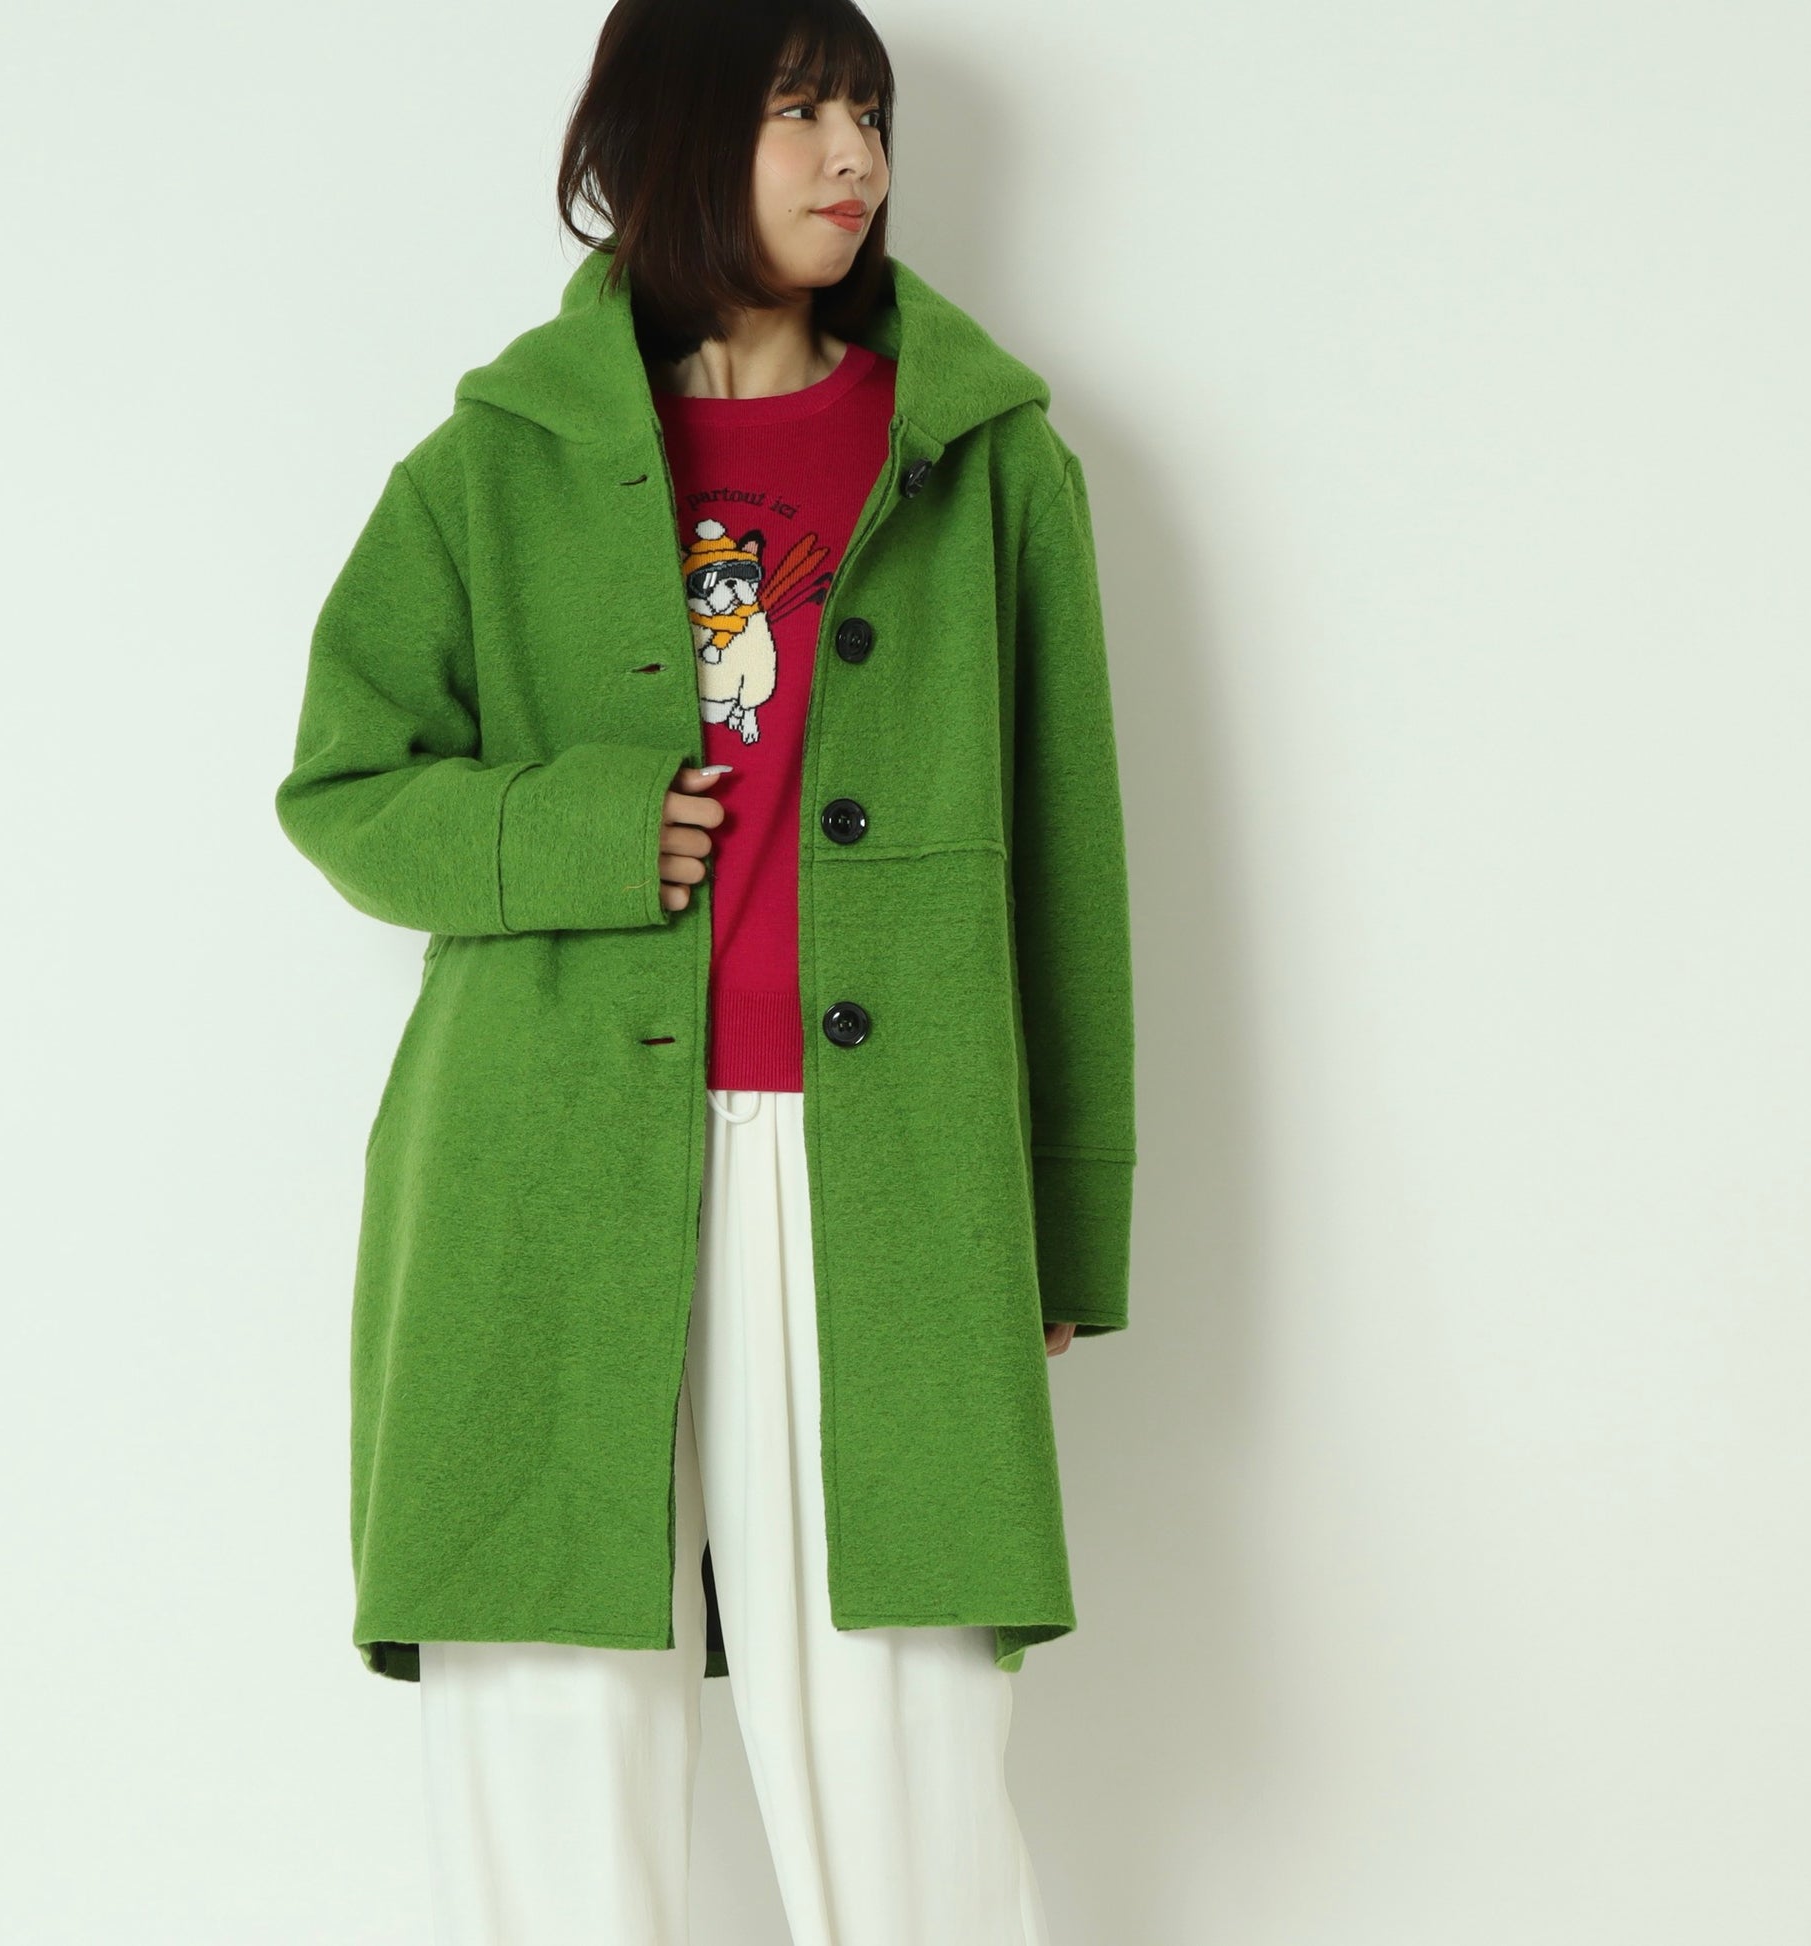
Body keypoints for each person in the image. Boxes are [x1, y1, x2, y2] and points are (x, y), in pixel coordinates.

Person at [273, 0, 1137, 1939]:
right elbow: (343, 784)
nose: (855, 158)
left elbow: (1069, 856)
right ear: (669, 140)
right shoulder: (493, 464)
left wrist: (1063, 1227)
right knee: (548, 1739)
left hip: (884, 1173)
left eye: (869, 114)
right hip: (543, 1172)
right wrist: (580, 829)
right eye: (797, 111)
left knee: (909, 1748)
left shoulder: (985, 460)